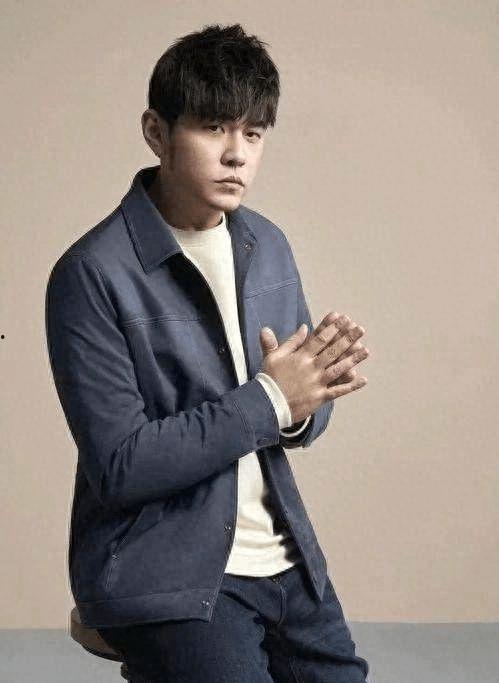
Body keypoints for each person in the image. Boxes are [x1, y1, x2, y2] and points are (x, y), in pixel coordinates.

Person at [45, 22, 372, 682]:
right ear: (156, 132)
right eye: (214, 128)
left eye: (253, 134)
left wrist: (308, 399)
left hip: (285, 559)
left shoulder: (266, 245)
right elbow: (121, 464)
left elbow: (297, 412)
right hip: (167, 573)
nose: (236, 155)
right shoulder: (92, 273)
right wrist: (272, 399)